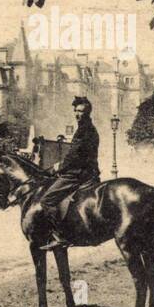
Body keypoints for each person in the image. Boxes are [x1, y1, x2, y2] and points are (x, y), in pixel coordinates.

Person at [38, 97, 101, 250]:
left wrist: (58, 168)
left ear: (87, 112)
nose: (77, 114)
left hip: (78, 173)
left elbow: (74, 155)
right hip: (89, 171)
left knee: (47, 200)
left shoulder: (84, 130)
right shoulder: (88, 128)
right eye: (76, 111)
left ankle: (60, 236)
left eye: (81, 111)